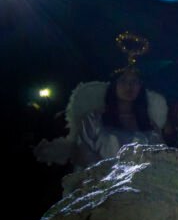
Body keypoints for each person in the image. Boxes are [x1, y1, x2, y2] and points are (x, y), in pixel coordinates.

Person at [34, 66, 167, 171]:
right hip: (100, 187)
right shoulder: (94, 119)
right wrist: (111, 176)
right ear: (114, 85)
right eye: (123, 81)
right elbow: (83, 152)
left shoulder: (148, 123)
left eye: (134, 82)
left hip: (139, 188)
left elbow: (159, 157)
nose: (129, 87)